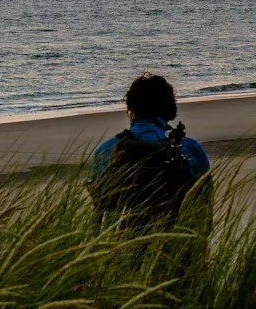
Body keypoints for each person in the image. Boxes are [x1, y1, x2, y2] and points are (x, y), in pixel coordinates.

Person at [89, 73, 212, 224]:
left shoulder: (106, 150)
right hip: (177, 238)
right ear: (170, 109)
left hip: (119, 241)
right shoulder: (191, 149)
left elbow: (99, 210)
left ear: (131, 110)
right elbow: (204, 215)